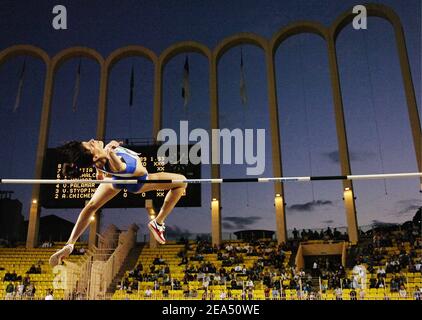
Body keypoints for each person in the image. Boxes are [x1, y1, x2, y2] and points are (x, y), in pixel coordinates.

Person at [49, 139, 187, 267]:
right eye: (90, 146)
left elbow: (101, 162)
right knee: (182, 182)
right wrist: (111, 152)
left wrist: (102, 169)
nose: (92, 141)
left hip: (114, 180)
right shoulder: (115, 162)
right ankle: (158, 222)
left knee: (91, 207)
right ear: (95, 156)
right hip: (138, 182)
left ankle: (70, 244)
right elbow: (128, 168)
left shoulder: (98, 160)